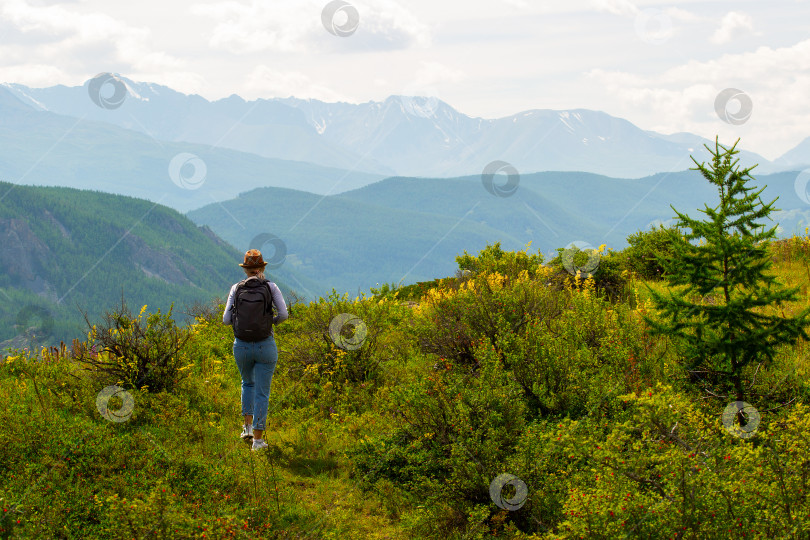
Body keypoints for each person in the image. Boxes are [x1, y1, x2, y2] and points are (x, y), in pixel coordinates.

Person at [223, 249, 288, 451]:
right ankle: (258, 442)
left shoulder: (236, 288)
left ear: (246, 269)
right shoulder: (271, 287)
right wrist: (270, 323)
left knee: (247, 383)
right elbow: (284, 314)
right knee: (262, 392)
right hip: (265, 344)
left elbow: (225, 320)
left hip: (241, 344)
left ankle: (247, 428)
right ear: (261, 268)